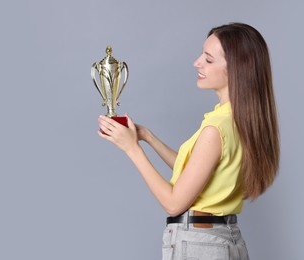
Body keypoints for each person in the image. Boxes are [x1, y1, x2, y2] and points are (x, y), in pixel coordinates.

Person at [97, 22, 279, 260]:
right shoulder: (239, 120)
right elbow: (194, 173)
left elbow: (174, 203)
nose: (197, 62)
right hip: (226, 240)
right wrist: (147, 138)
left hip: (200, 244)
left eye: (209, 59)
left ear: (237, 68)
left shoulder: (217, 128)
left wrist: (131, 149)